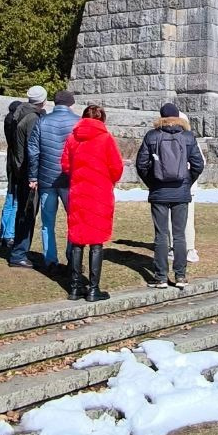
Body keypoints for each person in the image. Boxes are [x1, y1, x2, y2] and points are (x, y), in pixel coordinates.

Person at [135, 102, 205, 288]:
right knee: (179, 235)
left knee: (161, 235)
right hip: (181, 191)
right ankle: (180, 276)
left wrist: (152, 182)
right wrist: (187, 181)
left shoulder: (152, 136)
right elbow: (198, 164)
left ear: (162, 117)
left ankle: (161, 277)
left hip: (159, 191)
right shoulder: (188, 136)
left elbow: (141, 164)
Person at [60, 105, 124, 302]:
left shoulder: (72, 138)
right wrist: (107, 179)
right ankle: (94, 289)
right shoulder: (105, 139)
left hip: (78, 193)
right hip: (99, 194)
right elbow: (116, 167)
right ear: (102, 119)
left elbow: (65, 165)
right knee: (96, 242)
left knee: (77, 240)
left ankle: (75, 287)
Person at [27, 89, 79, 274]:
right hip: (70, 178)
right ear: (71, 104)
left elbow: (33, 151)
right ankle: (73, 257)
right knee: (74, 220)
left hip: (46, 178)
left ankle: (50, 260)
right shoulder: (78, 122)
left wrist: (33, 176)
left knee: (47, 222)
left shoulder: (42, 121)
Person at [0, 85, 47, 265]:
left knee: (22, 211)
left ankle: (19, 250)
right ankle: (19, 254)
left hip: (18, 168)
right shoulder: (32, 118)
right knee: (27, 213)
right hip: (28, 171)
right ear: (43, 100)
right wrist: (33, 176)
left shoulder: (16, 114)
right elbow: (32, 149)